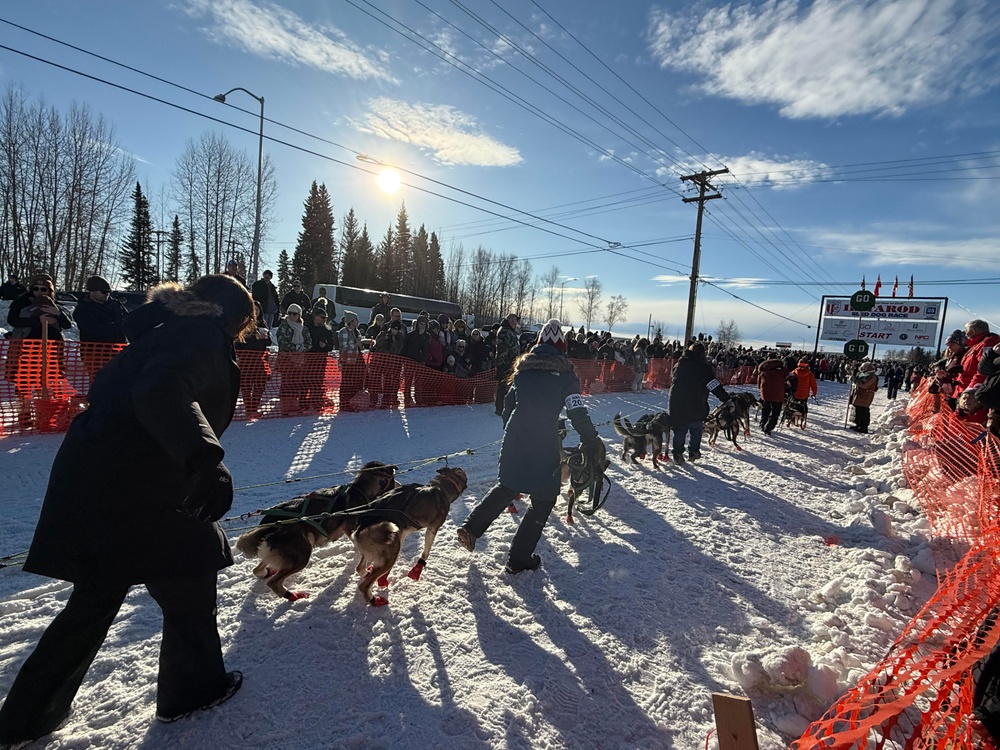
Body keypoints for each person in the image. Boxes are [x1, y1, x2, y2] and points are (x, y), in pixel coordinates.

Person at [0, 275, 252, 748]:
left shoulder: (166, 330)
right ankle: (192, 691)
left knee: (98, 596)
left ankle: (25, 718)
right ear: (230, 314)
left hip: (105, 474)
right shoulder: (201, 335)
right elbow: (160, 391)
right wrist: (205, 459)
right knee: (190, 577)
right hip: (144, 480)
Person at [456, 320, 604, 573]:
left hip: (516, 435)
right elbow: (577, 412)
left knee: (508, 485)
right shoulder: (566, 374)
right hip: (544, 439)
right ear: (562, 347)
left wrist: (512, 430)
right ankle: (519, 557)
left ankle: (471, 528)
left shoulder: (523, 369)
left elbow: (508, 406)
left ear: (538, 345)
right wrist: (592, 439)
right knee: (544, 498)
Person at [667, 342, 731, 464]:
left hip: (677, 403)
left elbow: (673, 378)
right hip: (696, 404)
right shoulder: (704, 368)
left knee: (679, 431)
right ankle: (694, 452)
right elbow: (714, 385)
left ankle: (677, 454)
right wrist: (725, 398)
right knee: (696, 429)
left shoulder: (680, 364)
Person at [74, 275, 128, 385]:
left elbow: (128, 319)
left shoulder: (115, 304)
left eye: (109, 291)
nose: (107, 294)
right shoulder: (83, 309)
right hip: (95, 353)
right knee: (99, 382)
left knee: (119, 381)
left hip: (117, 351)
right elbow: (94, 330)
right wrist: (119, 326)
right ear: (92, 292)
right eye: (104, 292)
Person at [234, 301, 272, 418]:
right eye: (253, 309)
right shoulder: (242, 324)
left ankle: (253, 408)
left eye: (258, 310)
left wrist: (264, 337)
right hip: (246, 360)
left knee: (260, 384)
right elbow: (239, 343)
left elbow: (269, 342)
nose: (256, 312)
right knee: (246, 386)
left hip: (260, 360)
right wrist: (254, 337)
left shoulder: (263, 324)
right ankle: (249, 408)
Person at [276, 303, 311, 415]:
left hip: (299, 361)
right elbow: (283, 342)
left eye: (294, 314)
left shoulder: (303, 328)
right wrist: (296, 348)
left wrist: (301, 348)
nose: (292, 316)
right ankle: (285, 407)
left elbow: (309, 343)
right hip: (286, 359)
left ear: (299, 315)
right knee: (286, 383)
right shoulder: (283, 326)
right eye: (290, 313)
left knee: (296, 382)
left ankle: (294, 406)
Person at [304, 307, 335, 412]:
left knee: (318, 382)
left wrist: (325, 345)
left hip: (321, 360)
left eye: (325, 318)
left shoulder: (327, 330)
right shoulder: (307, 327)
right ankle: (303, 403)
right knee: (305, 381)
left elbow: (331, 346)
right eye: (322, 317)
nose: (324, 319)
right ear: (315, 316)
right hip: (308, 359)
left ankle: (316, 402)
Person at [494, 313, 520, 417]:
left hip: (509, 362)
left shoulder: (509, 331)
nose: (515, 323)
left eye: (516, 321)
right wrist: (508, 362)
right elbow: (504, 349)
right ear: (509, 321)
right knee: (503, 385)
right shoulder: (505, 331)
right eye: (513, 321)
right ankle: (500, 408)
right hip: (505, 363)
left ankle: (504, 407)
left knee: (507, 386)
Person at [337, 310, 365, 410]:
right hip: (347, 361)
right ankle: (344, 403)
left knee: (356, 381)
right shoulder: (343, 332)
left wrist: (360, 345)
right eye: (356, 320)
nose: (358, 322)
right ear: (351, 321)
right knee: (347, 382)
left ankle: (351, 400)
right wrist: (355, 344)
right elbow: (343, 347)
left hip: (356, 360)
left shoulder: (356, 332)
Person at [757, 353, 788, 435]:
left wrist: (761, 390)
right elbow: (789, 377)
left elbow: (759, 382)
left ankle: (763, 424)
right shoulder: (782, 369)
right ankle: (768, 427)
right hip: (778, 393)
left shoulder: (763, 368)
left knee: (765, 410)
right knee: (775, 412)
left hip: (766, 393)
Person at [849, 362, 879, 433]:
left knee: (863, 411)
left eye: (863, 368)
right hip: (860, 394)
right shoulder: (865, 374)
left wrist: (855, 381)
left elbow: (865, 385)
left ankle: (863, 427)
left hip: (866, 396)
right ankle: (858, 424)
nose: (861, 369)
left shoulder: (872, 377)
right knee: (858, 410)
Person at [790, 358, 819, 427]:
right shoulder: (809, 374)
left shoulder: (794, 372)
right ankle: (803, 417)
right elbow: (813, 385)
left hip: (795, 393)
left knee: (794, 405)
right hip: (804, 394)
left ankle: (793, 419)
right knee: (803, 406)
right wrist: (814, 393)